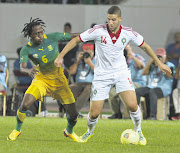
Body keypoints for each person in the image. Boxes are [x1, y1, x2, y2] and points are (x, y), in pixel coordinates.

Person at [54, 6, 172, 145]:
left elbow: (145, 46)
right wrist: (60, 56)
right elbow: (75, 40)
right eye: (108, 19)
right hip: (101, 75)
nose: (110, 22)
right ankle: (89, 132)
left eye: (113, 20)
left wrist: (159, 63)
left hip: (121, 72)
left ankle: (139, 131)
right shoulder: (98, 30)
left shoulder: (128, 32)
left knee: (133, 105)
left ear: (120, 19)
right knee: (94, 113)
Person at [7, 18, 81, 142]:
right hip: (41, 79)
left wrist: (92, 33)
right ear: (30, 35)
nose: (40, 36)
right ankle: (17, 129)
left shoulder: (52, 37)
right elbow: (22, 67)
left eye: (41, 32)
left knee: (73, 115)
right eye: (36, 34)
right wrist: (28, 71)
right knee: (25, 104)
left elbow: (73, 36)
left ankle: (69, 131)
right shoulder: (27, 49)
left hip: (59, 81)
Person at [108, 44, 147, 119]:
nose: (125, 51)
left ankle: (130, 114)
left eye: (127, 49)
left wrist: (132, 56)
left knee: (123, 91)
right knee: (111, 93)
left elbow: (141, 66)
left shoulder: (137, 57)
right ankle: (116, 114)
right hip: (125, 83)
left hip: (137, 83)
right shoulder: (121, 60)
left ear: (131, 49)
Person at [136, 48, 175, 120]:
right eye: (157, 57)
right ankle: (135, 114)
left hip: (163, 88)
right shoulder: (152, 66)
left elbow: (170, 76)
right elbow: (143, 73)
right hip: (151, 86)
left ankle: (152, 116)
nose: (158, 58)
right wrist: (151, 61)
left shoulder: (170, 65)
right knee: (137, 91)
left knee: (152, 92)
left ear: (165, 57)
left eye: (160, 57)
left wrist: (161, 65)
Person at [13, 47, 48, 117]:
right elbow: (25, 72)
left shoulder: (25, 62)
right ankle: (42, 110)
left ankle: (40, 110)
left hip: (27, 83)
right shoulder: (19, 62)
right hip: (24, 83)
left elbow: (33, 71)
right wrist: (28, 72)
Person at [69, 43, 95, 114]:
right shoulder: (79, 60)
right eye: (85, 53)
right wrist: (78, 60)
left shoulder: (96, 60)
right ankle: (70, 110)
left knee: (88, 90)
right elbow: (71, 72)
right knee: (70, 88)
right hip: (79, 83)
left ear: (93, 52)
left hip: (91, 83)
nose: (87, 55)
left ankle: (74, 111)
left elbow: (99, 73)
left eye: (89, 53)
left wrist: (90, 63)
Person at [166, 32, 180, 119]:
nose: (177, 38)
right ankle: (172, 110)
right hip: (171, 71)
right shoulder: (170, 46)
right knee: (173, 91)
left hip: (178, 71)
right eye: (176, 36)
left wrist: (176, 56)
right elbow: (166, 55)